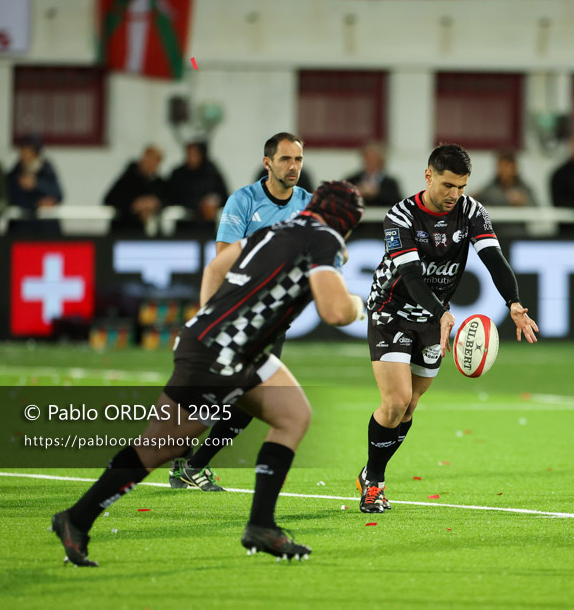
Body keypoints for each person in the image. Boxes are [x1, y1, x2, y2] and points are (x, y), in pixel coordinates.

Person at [52, 181, 367, 566]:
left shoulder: (274, 229)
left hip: (227, 348)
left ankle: (261, 525)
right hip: (219, 355)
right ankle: (77, 519)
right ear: (347, 221)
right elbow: (335, 312)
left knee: (293, 414)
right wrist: (357, 305)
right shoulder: (326, 239)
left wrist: (209, 321)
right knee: (159, 446)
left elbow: (217, 265)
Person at [356, 144, 539, 513]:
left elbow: (493, 259)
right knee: (394, 401)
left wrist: (514, 303)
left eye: (461, 186)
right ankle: (374, 480)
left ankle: (370, 472)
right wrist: (441, 312)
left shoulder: (471, 211)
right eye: (447, 185)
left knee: (409, 406)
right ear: (428, 176)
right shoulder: (401, 215)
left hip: (435, 316)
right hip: (392, 309)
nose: (454, 195)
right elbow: (409, 275)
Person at [168, 132, 312, 492]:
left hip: (274, 321)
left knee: (248, 401)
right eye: (285, 159)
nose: (293, 166)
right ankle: (179, 458)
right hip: (237, 318)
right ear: (268, 163)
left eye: (297, 159)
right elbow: (222, 261)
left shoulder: (309, 203)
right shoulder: (243, 201)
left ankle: (188, 463)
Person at [6, 134, 64, 236]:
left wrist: (36, 184)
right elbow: (10, 196)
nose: (25, 155)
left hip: (46, 228)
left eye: (29, 152)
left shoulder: (46, 168)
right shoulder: (16, 172)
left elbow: (58, 194)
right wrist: (35, 203)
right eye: (23, 151)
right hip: (22, 228)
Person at [166, 140, 229, 234]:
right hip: (184, 224)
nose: (191, 157)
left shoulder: (212, 173)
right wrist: (198, 205)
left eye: (194, 154)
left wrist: (214, 203)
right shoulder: (178, 174)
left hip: (209, 225)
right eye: (189, 154)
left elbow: (224, 196)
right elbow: (171, 197)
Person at [103, 145, 167, 235]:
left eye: (154, 160)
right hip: (125, 232)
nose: (150, 164)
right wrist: (135, 205)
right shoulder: (127, 179)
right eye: (148, 159)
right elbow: (110, 200)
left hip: (148, 235)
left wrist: (155, 204)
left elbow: (169, 199)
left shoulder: (159, 183)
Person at [345, 142, 403, 208]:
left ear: (381, 161)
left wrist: (378, 193)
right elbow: (342, 201)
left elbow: (399, 204)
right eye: (368, 159)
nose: (370, 162)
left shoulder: (390, 184)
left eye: (374, 159)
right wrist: (356, 193)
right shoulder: (352, 181)